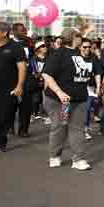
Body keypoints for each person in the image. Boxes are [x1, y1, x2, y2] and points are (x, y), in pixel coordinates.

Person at [40, 28, 92, 170]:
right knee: (60, 126)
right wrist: (59, 92)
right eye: (79, 36)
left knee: (77, 129)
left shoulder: (79, 52)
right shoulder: (59, 54)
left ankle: (78, 159)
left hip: (80, 99)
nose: (81, 38)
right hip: (61, 101)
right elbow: (47, 74)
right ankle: (54, 156)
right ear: (74, 37)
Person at [0, 23, 27, 153]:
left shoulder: (16, 47)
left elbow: (22, 68)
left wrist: (19, 86)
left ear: (4, 33)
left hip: (8, 90)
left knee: (4, 118)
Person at [18, 42, 48, 137]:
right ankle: (23, 130)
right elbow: (31, 72)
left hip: (44, 85)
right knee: (26, 108)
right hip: (30, 86)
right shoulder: (32, 60)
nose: (45, 48)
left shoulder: (49, 59)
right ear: (37, 49)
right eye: (43, 46)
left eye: (46, 46)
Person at [76, 39, 102, 141]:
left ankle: (85, 129)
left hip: (89, 87)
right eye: (84, 47)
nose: (87, 49)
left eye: (89, 47)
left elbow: (97, 73)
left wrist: (98, 87)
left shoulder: (93, 57)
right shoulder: (75, 57)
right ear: (79, 47)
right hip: (75, 87)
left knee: (86, 108)